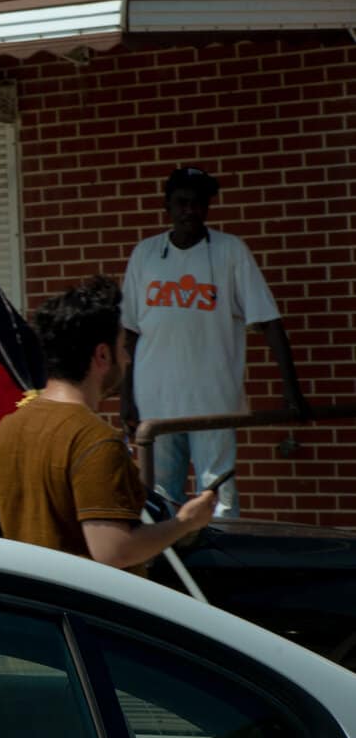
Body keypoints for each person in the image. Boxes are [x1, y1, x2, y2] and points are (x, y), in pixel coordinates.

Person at [119, 164, 307, 518]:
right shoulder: (145, 255)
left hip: (213, 402)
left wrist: (291, 389)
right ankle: (166, 570)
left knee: (219, 497)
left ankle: (220, 570)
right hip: (155, 401)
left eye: (197, 204)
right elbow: (130, 333)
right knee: (160, 497)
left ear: (207, 208)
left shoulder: (230, 251)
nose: (189, 211)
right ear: (168, 207)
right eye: (181, 203)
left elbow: (268, 322)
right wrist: (126, 398)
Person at [0, 276, 216, 567]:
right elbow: (115, 551)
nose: (126, 358)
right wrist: (186, 522)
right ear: (102, 354)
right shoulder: (95, 439)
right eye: (123, 346)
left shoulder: (8, 427)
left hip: (32, 605)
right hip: (83, 608)